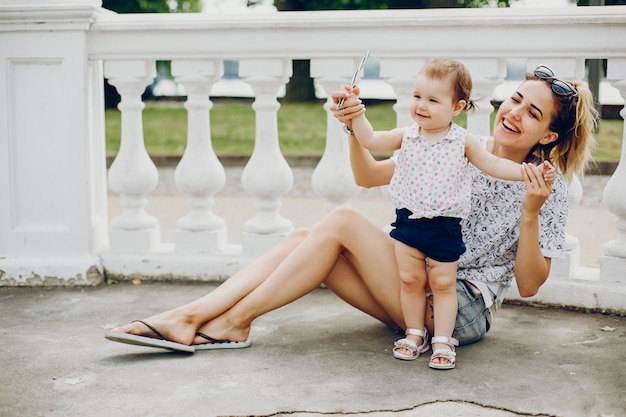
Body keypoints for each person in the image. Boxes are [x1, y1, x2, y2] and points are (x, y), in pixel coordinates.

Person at [105, 65, 597, 364]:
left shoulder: (547, 187)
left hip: (458, 310)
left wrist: (530, 213)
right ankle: (199, 318)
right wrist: (351, 128)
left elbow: (530, 285)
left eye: (533, 113)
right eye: (516, 99)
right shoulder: (457, 144)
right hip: (410, 289)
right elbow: (369, 176)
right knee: (304, 235)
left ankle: (211, 320)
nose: (514, 113)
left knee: (339, 222)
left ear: (548, 136)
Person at [342, 58, 554, 369]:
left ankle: (442, 339)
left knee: (442, 284)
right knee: (410, 280)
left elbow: (494, 165)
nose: (421, 106)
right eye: (417, 97)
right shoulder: (407, 136)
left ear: (457, 107)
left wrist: (526, 173)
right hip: (408, 223)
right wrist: (356, 114)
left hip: (443, 228)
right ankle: (415, 334)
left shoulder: (463, 142)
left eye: (432, 100)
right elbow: (370, 140)